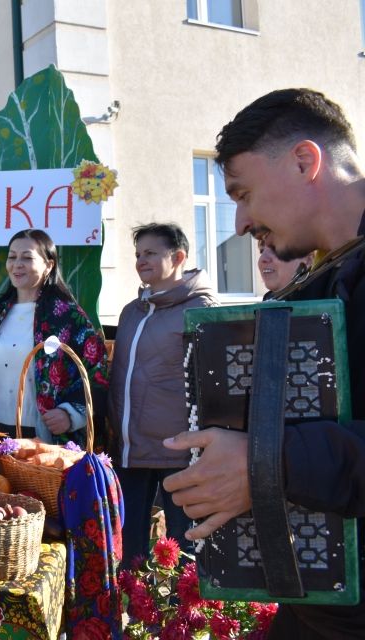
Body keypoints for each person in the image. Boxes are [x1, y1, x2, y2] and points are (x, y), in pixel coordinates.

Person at [162, 88, 365, 638]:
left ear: (305, 161)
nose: (240, 221)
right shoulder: (317, 278)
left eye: (244, 193)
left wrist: (265, 464)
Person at [107, 222, 218, 564]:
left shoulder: (200, 310)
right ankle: (132, 613)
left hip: (180, 454)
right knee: (128, 553)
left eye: (151, 253)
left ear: (179, 256)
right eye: (138, 254)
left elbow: (216, 382)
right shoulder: (130, 312)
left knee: (185, 554)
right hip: (130, 451)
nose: (141, 260)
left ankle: (182, 619)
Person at [0, 228, 108, 443]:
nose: (17, 264)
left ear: (49, 265)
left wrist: (72, 413)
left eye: (27, 258)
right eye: (12, 257)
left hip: (43, 436)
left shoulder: (67, 316)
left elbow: (97, 370)